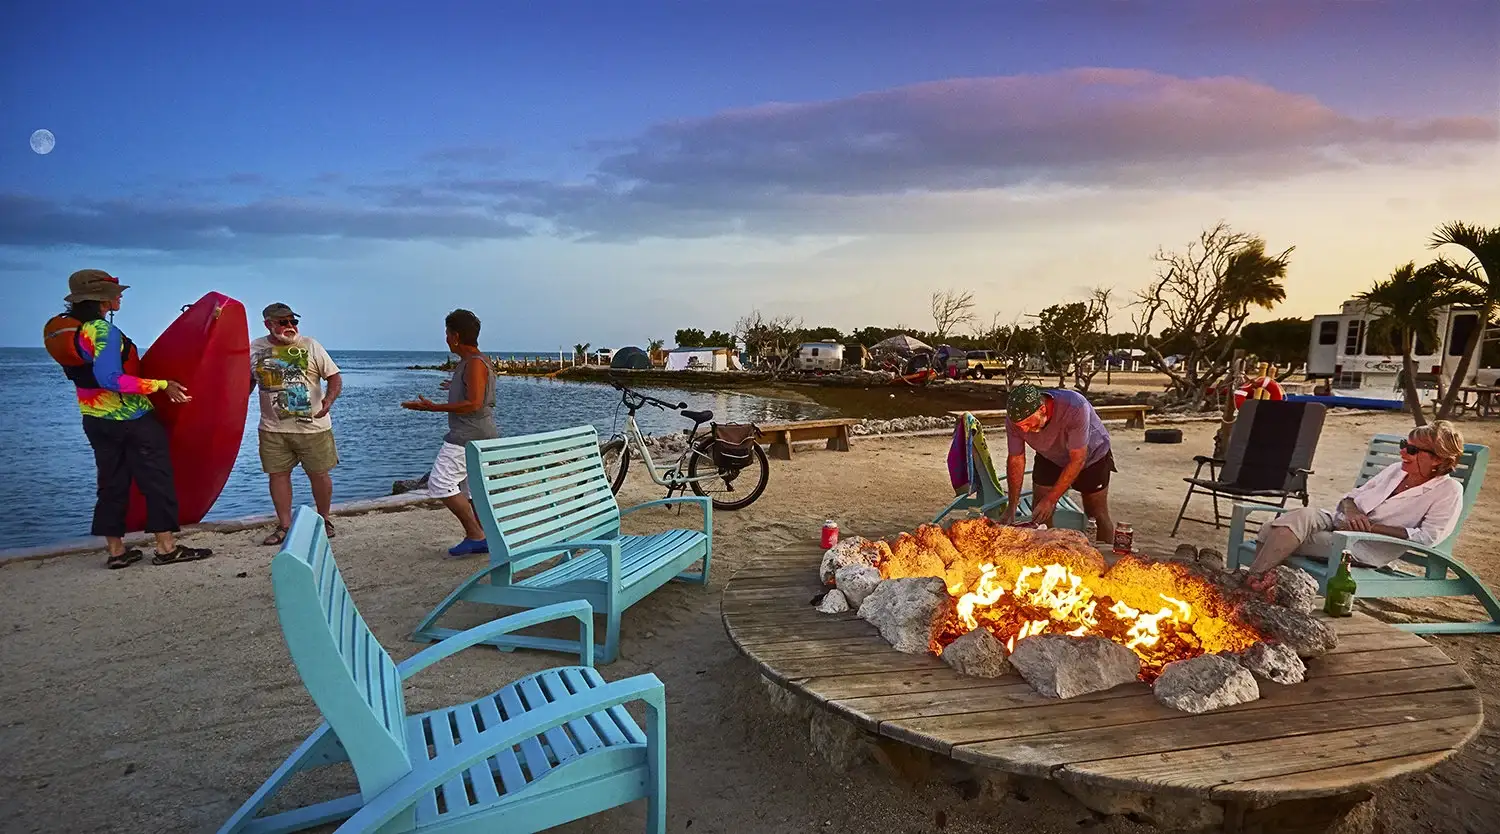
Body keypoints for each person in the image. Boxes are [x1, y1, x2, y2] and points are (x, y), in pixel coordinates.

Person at [49, 269, 213, 567]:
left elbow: (86, 377)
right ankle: (166, 548)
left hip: (95, 421)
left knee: (111, 483)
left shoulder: (71, 334)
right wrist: (161, 385)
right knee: (156, 480)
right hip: (132, 419)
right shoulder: (102, 331)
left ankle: (116, 552)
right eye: (115, 293)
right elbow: (112, 379)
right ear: (102, 300)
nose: (120, 296)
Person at [1245, 422, 1466, 591]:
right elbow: (1352, 496)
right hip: (1340, 521)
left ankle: (1250, 585)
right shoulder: (1396, 470)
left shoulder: (1448, 491)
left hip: (1366, 546)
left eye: (1412, 450)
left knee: (1271, 531)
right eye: (1403, 445)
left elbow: (1428, 537)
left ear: (1438, 459)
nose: (1403, 453)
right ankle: (1258, 585)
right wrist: (1353, 511)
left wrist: (1369, 527)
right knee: (1300, 515)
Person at [401, 309, 498, 557]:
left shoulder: (474, 363)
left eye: (447, 333)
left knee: (440, 483)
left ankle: (475, 535)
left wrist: (433, 408)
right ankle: (485, 536)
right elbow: (475, 393)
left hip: (468, 436)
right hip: (480, 434)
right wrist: (454, 386)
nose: (445, 338)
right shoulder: (475, 361)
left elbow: (475, 403)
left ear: (455, 336)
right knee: (472, 489)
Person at [250, 303, 343, 545]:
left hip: (313, 427)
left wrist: (328, 401)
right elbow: (246, 383)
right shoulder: (255, 348)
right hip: (272, 429)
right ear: (268, 324)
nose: (290, 326)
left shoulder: (311, 345)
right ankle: (284, 526)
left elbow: (334, 377)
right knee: (278, 475)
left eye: (293, 321)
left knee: (319, 474)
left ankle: (324, 519)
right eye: (283, 322)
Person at [998, 384, 1116, 542]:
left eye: (1027, 424)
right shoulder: (1015, 420)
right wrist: (1012, 506)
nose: (1024, 431)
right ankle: (1047, 552)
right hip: (1050, 455)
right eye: (1020, 426)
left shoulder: (1075, 407)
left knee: (1096, 514)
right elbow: (1016, 459)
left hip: (1091, 457)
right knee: (1039, 510)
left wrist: (1052, 499)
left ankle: (1106, 559)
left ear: (1042, 409)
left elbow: (1077, 459)